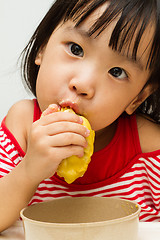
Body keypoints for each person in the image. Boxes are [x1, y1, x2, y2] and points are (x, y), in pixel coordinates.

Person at [0, 0, 160, 231]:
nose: (82, 84)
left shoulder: (149, 147)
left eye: (117, 72)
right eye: (76, 49)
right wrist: (28, 171)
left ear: (138, 97)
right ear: (43, 47)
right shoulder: (23, 127)